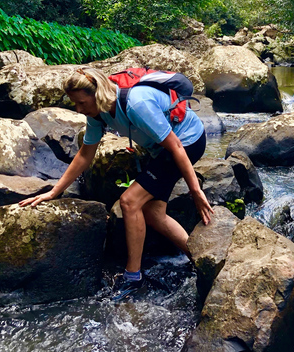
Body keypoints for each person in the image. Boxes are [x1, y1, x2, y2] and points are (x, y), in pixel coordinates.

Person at [19, 67, 213, 298]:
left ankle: (133, 277)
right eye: (75, 104)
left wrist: (195, 191)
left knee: (129, 201)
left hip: (187, 141)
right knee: (153, 212)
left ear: (98, 94)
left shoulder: (136, 104)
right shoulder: (98, 113)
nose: (79, 109)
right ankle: (200, 260)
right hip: (162, 150)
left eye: (81, 103)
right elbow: (84, 154)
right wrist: (54, 192)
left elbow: (176, 147)